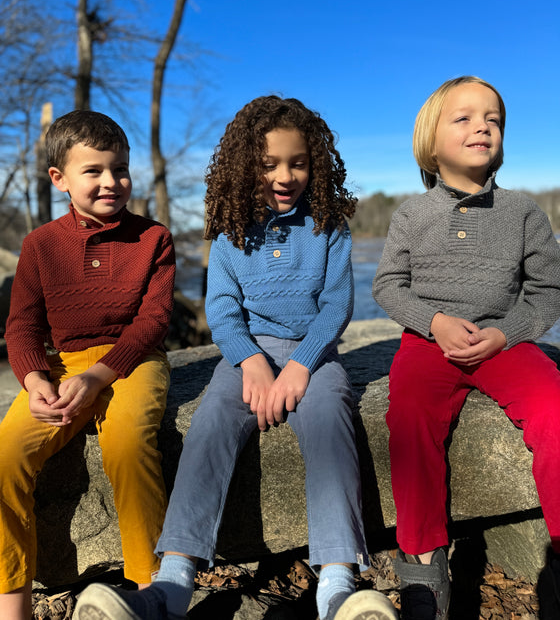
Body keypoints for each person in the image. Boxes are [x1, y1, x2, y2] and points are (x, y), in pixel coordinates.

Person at [74, 96, 397, 620]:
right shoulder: (229, 233)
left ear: (315, 164)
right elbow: (222, 310)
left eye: (297, 162)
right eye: (269, 164)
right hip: (246, 357)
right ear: (244, 167)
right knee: (210, 423)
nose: (285, 175)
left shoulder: (329, 228)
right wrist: (250, 362)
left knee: (330, 422)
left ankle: (337, 586)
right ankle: (173, 584)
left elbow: (337, 304)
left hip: (312, 360)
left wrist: (300, 366)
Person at [372, 76, 560, 620]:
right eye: (464, 117)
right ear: (431, 142)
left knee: (554, 409)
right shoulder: (411, 213)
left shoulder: (524, 213)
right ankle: (424, 571)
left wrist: (506, 333)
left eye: (493, 118)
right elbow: (389, 285)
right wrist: (432, 322)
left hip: (504, 340)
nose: (482, 125)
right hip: (429, 343)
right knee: (409, 418)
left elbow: (547, 292)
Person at [0, 110, 176, 620]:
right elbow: (22, 327)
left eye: (119, 169)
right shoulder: (40, 246)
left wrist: (101, 375)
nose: (111, 182)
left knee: (127, 443)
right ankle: (13, 603)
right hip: (62, 365)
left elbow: (154, 320)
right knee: (7, 455)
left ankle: (152, 592)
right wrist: (35, 380)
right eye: (94, 171)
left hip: (135, 359)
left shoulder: (153, 239)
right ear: (59, 179)